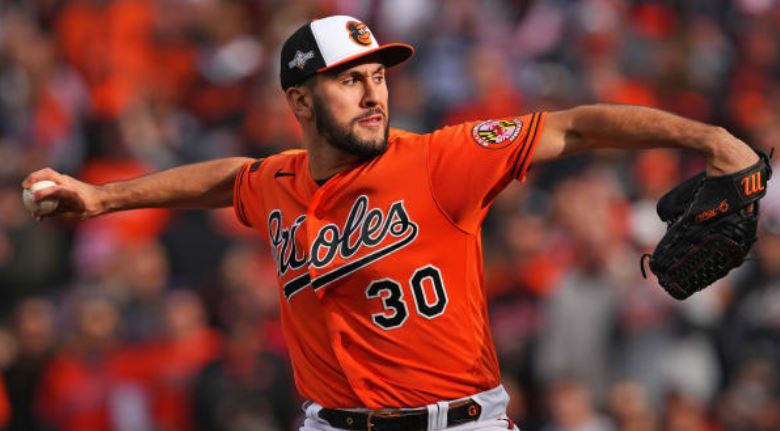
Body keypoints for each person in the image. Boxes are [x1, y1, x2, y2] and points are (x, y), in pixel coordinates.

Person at [23, 15, 759, 431]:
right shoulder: (278, 181)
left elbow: (576, 127)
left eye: (379, 75)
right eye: (351, 80)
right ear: (301, 101)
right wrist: (104, 198)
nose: (374, 93)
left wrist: (711, 138)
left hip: (458, 421)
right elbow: (228, 177)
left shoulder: (440, 159)